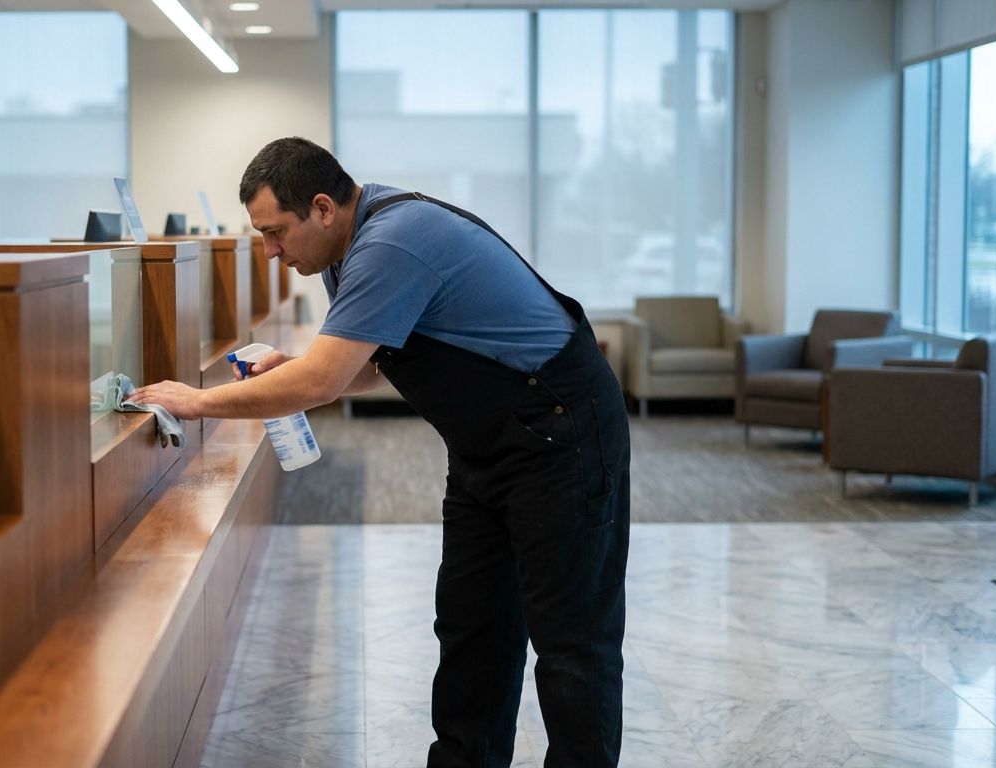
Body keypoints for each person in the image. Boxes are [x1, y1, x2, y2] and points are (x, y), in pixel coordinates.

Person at [126, 136, 630, 767]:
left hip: (563, 433)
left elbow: (322, 383)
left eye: (276, 232)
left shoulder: (390, 243)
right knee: (474, 627)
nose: (271, 252)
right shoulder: (346, 250)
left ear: (322, 207)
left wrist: (196, 401)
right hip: (485, 447)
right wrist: (302, 363)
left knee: (571, 643)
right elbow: (369, 363)